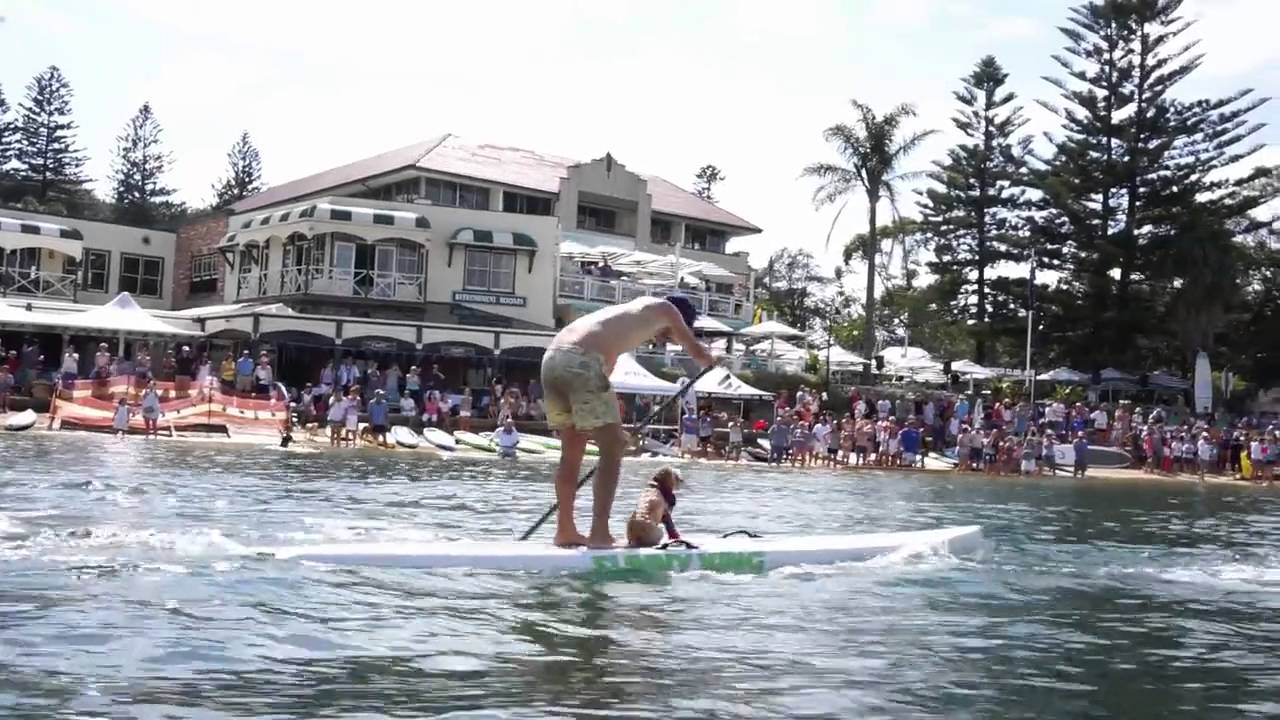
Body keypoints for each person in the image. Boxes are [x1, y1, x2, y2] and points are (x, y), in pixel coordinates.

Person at [541, 295, 715, 548]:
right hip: (581, 360)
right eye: (673, 333)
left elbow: (604, 373)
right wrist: (712, 360)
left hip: (552, 359)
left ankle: (565, 530)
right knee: (611, 448)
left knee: (572, 453)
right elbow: (699, 354)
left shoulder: (627, 314)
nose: (668, 339)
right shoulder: (665, 309)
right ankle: (600, 535)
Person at [626, 466, 684, 548]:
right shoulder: (664, 498)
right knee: (660, 533)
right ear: (671, 482)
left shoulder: (646, 493)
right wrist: (677, 539)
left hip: (630, 532)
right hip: (647, 532)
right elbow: (670, 528)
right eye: (676, 482)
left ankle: (635, 541)